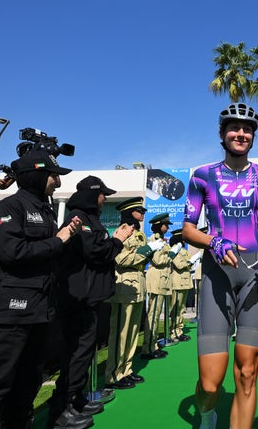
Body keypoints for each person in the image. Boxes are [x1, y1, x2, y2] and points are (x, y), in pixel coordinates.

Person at [0, 151, 82, 429]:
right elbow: (12, 253)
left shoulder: (44, 210)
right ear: (37, 175)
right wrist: (58, 240)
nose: (57, 182)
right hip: (5, 317)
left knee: (27, 386)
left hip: (37, 313)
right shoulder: (11, 208)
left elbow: (46, 256)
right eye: (53, 175)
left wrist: (67, 240)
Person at [182, 102, 258, 429]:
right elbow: (187, 229)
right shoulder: (202, 176)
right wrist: (213, 240)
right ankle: (207, 414)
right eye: (234, 128)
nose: (240, 134)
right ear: (222, 134)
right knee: (211, 383)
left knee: (247, 371)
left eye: (247, 129)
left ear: (253, 136)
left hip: (257, 277)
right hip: (216, 277)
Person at [48, 176, 133, 428]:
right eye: (101, 194)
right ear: (92, 195)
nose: (104, 199)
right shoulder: (78, 218)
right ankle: (62, 409)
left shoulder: (90, 219)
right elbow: (95, 252)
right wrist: (117, 240)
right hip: (77, 298)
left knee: (84, 354)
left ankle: (76, 399)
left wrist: (112, 243)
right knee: (75, 355)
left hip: (90, 296)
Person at [105, 197, 154, 389]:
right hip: (124, 285)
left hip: (137, 284)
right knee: (120, 333)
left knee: (133, 331)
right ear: (130, 211)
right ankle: (113, 374)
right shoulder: (123, 231)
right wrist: (146, 251)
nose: (142, 213)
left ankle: (126, 369)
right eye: (139, 210)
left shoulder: (138, 234)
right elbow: (121, 259)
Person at [141, 212, 175, 359]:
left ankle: (153, 345)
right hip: (156, 279)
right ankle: (148, 348)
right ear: (158, 225)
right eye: (165, 225)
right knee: (153, 315)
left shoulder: (162, 240)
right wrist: (171, 255)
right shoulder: (153, 240)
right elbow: (158, 260)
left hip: (162, 280)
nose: (167, 227)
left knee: (156, 314)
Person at [168, 228, 194, 342]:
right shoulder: (175, 249)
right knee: (176, 308)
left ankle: (179, 330)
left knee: (181, 308)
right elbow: (178, 264)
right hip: (177, 282)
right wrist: (190, 262)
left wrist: (189, 263)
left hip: (184, 282)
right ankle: (173, 332)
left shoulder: (183, 249)